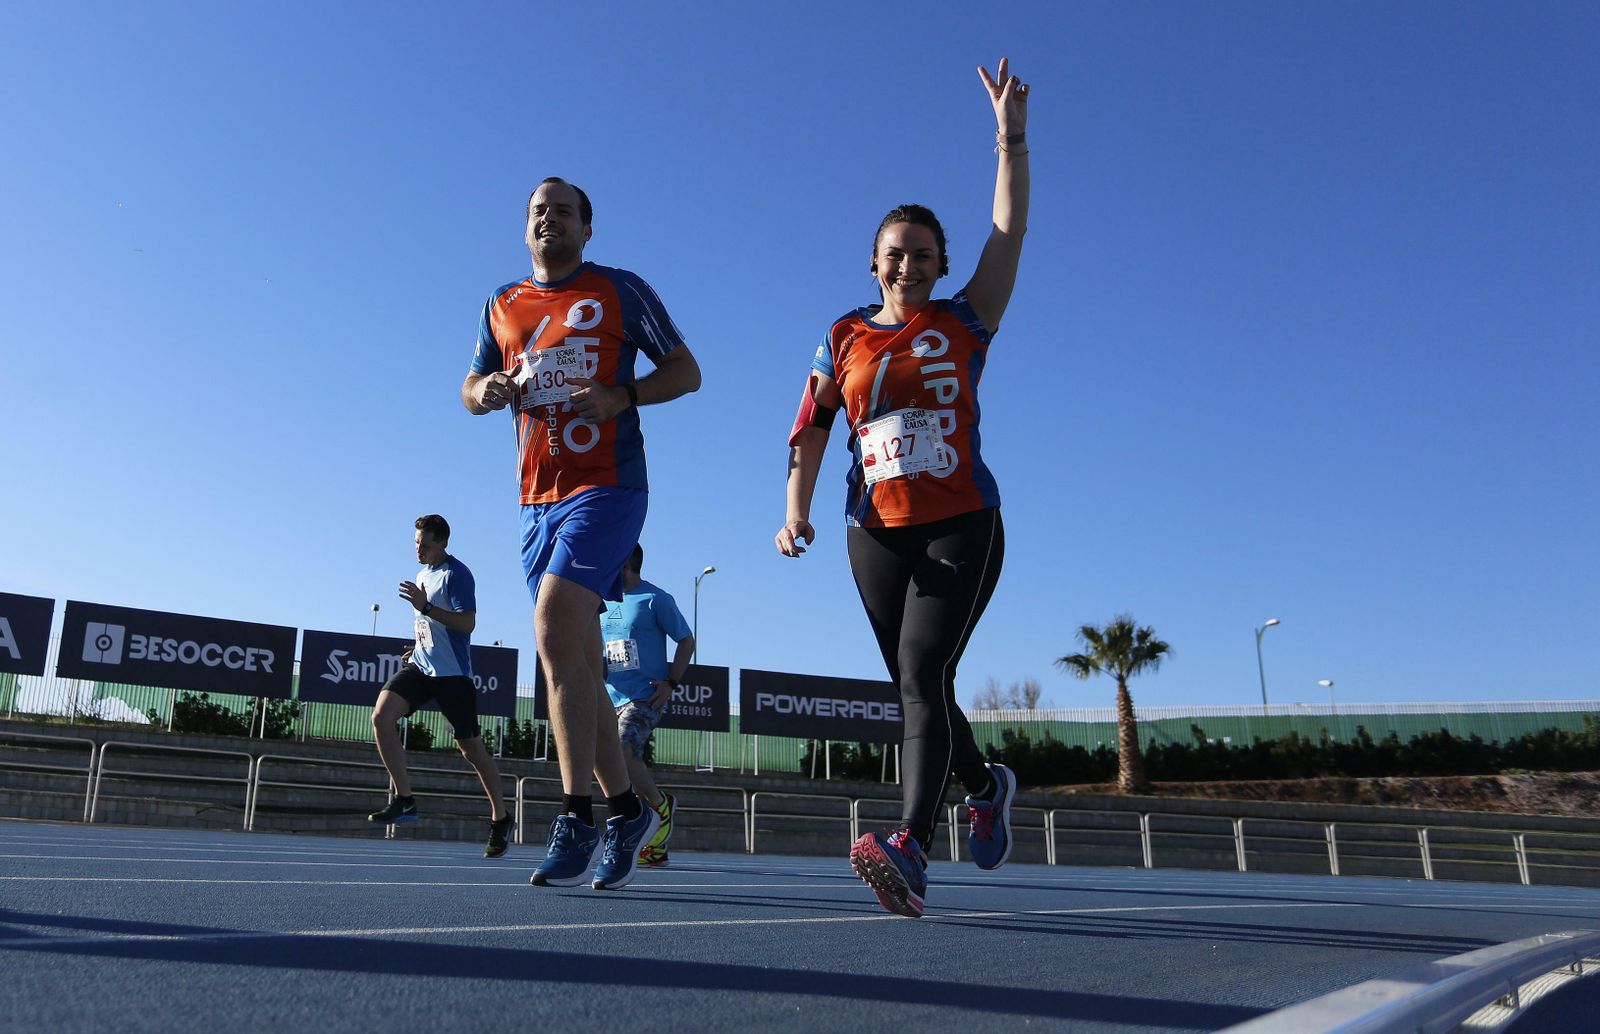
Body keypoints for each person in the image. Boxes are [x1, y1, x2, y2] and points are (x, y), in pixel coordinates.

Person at [774, 59, 1030, 918]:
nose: (908, 266)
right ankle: (984, 786)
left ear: (939, 264)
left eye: (923, 255)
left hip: (962, 518)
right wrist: (794, 512)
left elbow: (1008, 233)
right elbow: (811, 427)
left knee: (923, 668)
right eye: (895, 255)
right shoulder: (842, 334)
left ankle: (911, 845)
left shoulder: (964, 320)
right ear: (874, 262)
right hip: (870, 527)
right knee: (918, 685)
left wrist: (1011, 139)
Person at [462, 178, 701, 891]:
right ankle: (627, 810)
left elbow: (686, 372)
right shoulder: (502, 304)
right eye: (538, 210)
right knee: (574, 659)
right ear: (524, 227)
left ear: (586, 229)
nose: (549, 219)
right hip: (534, 500)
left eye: (563, 211)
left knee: (552, 624)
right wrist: (490, 391)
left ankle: (575, 813)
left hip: (608, 487)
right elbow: (470, 387)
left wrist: (621, 395)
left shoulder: (621, 291)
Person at [368, 514, 512, 859]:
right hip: (421, 667)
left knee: (471, 750)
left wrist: (427, 607)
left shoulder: (457, 575)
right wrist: (417, 647)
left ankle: (501, 818)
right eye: (416, 543)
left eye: (425, 544)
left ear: (443, 543)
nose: (419, 549)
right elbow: (429, 625)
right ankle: (405, 800)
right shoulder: (422, 575)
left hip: (452, 676)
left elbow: (467, 624)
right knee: (381, 719)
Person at [601, 543, 694, 866]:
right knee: (613, 763)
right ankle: (652, 843)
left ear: (626, 561)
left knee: (623, 751)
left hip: (644, 696)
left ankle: (659, 806)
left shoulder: (655, 598)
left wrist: (671, 682)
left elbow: (686, 639)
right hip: (609, 696)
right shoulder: (603, 600)